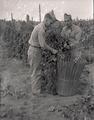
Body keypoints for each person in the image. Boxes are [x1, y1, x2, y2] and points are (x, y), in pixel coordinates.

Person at [28, 13, 58, 96]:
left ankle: (35, 89)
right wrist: (52, 50)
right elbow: (43, 45)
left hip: (34, 50)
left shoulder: (40, 27)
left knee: (35, 70)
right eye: (50, 23)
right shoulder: (41, 29)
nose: (51, 25)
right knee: (36, 71)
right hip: (35, 51)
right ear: (46, 19)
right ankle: (36, 92)